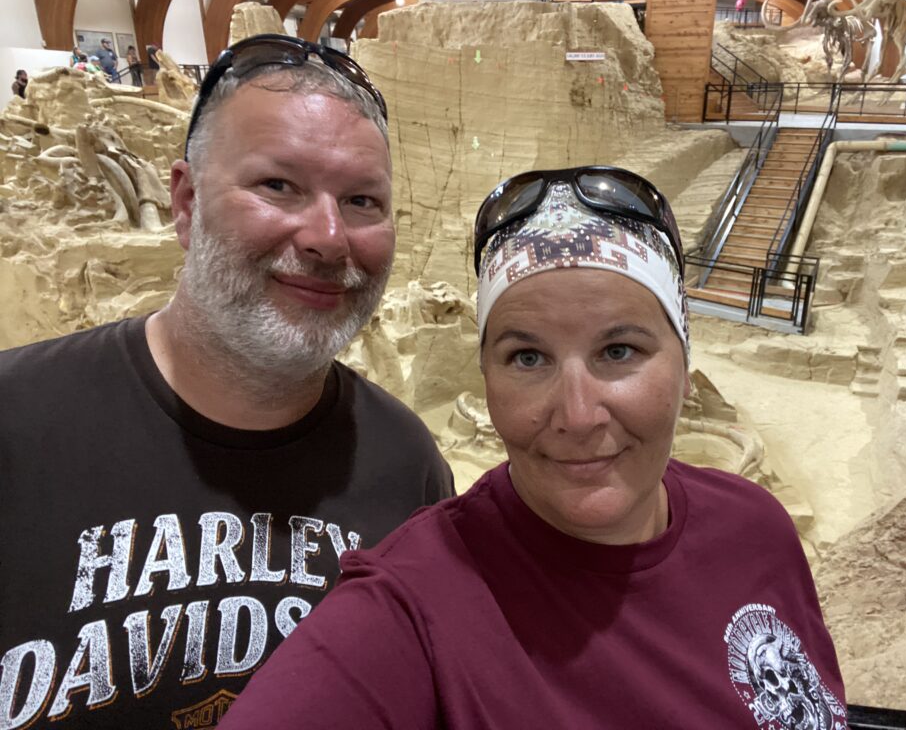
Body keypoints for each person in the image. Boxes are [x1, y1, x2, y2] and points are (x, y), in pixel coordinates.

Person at [217, 167, 848, 729]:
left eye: (619, 350)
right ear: (486, 376)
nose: (577, 415)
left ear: (685, 362)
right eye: (527, 357)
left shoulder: (755, 528)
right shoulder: (413, 611)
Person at [0, 34, 454, 729]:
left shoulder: (408, 466)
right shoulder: (17, 424)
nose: (328, 238)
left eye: (363, 200)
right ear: (184, 204)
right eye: (279, 186)